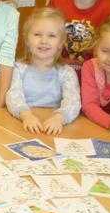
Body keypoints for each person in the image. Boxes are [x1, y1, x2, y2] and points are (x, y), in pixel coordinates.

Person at [6, 7, 80, 135]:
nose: (44, 41)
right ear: (27, 40)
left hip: (55, 128)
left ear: (61, 42)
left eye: (51, 35)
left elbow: (73, 102)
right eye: (37, 34)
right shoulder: (18, 69)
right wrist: (26, 116)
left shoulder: (67, 73)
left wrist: (59, 118)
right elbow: (13, 96)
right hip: (24, 124)